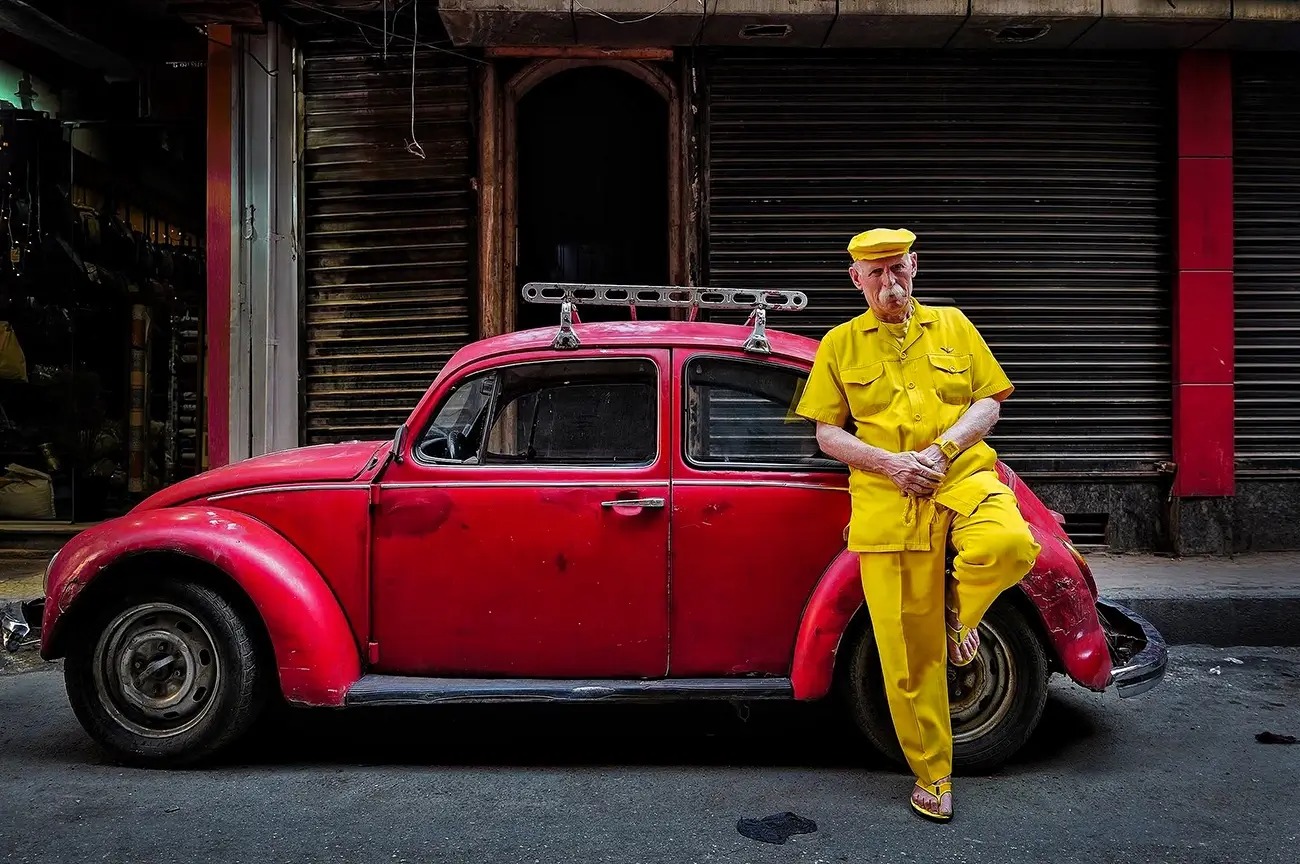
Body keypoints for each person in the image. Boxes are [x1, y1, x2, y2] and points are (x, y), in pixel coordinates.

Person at [794, 228, 1040, 823]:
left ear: (914, 267)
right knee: (908, 658)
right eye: (875, 274)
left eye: (898, 269)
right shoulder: (839, 345)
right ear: (857, 280)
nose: (889, 282)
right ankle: (933, 774)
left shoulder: (954, 325)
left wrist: (944, 450)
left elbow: (989, 400)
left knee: (1011, 544)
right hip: (887, 499)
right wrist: (891, 465)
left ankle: (962, 613)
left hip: (959, 474)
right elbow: (827, 432)